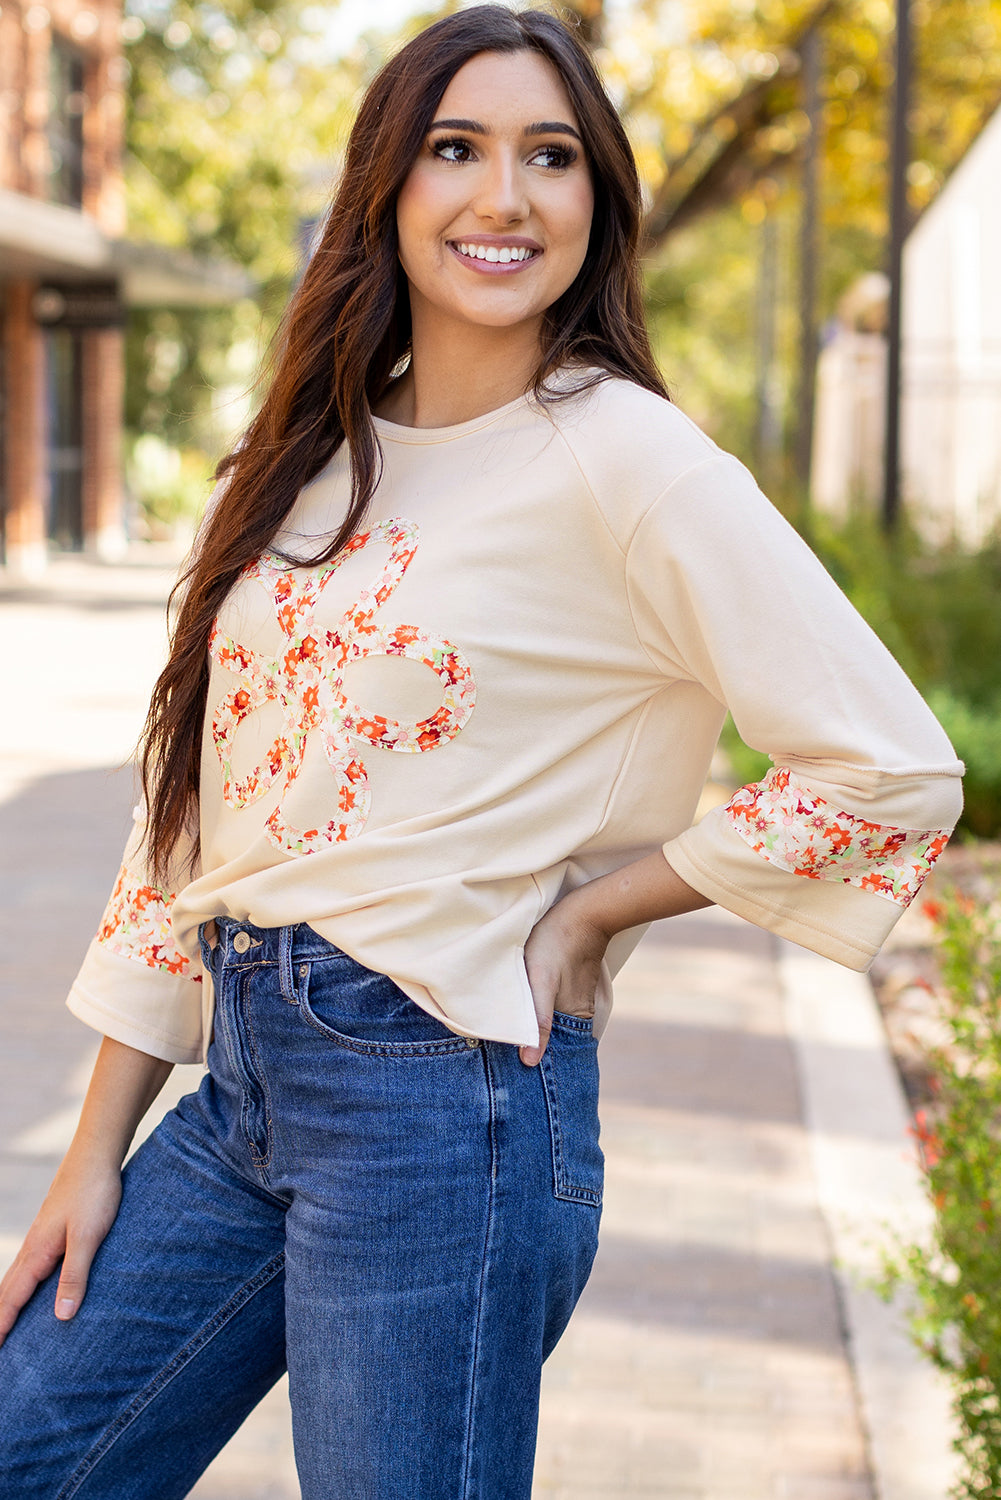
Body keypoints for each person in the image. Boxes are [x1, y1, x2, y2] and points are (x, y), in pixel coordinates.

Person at [0, 6, 963, 1497]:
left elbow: (887, 764)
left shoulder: (626, 457)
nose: (502, 195)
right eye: (455, 148)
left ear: (598, 202)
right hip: (239, 1088)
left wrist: (593, 909)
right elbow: (197, 800)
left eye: (549, 156)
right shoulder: (309, 458)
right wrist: (91, 1146)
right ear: (387, 187)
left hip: (443, 1105)